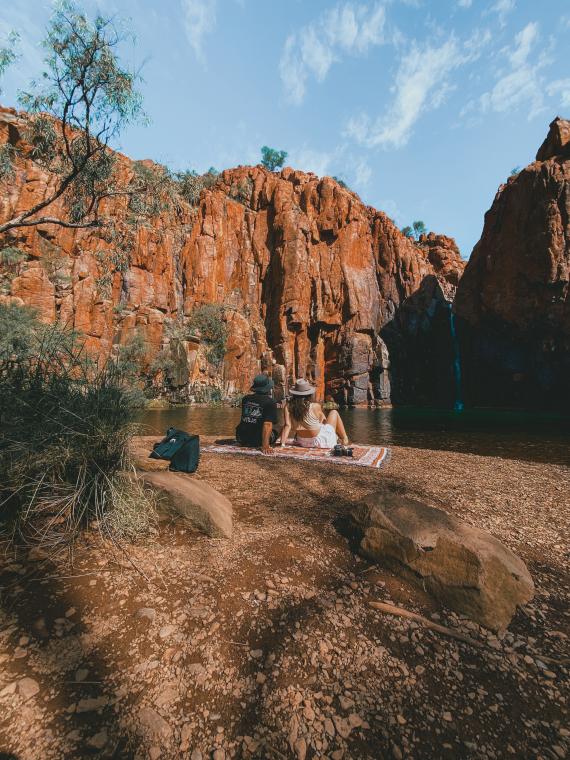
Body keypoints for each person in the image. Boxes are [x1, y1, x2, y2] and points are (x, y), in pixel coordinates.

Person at [277, 379, 349, 449]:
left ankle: (336, 437)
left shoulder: (288, 406)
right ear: (309, 394)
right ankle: (344, 438)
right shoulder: (315, 406)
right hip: (319, 441)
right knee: (334, 412)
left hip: (303, 441)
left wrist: (282, 444)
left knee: (320, 420)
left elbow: (287, 425)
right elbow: (323, 421)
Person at [235, 374, 278, 454]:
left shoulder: (246, 399)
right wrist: (265, 446)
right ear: (267, 388)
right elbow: (267, 424)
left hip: (241, 437)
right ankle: (264, 442)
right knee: (276, 426)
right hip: (257, 440)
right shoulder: (270, 402)